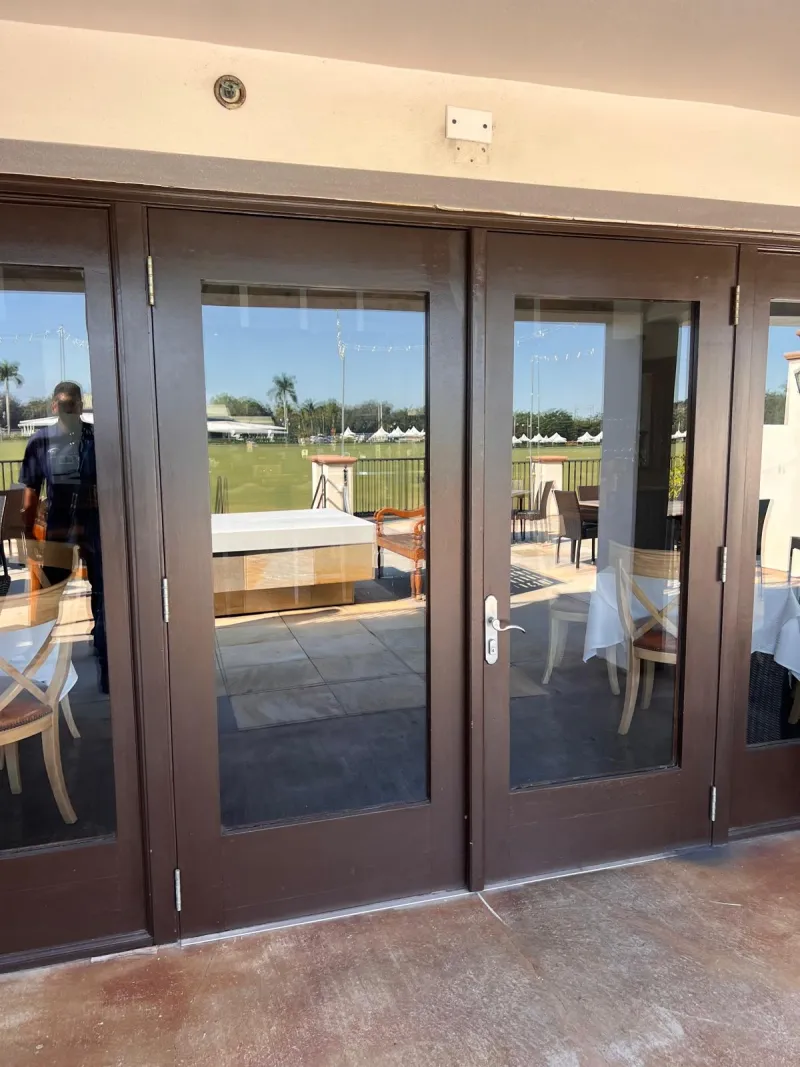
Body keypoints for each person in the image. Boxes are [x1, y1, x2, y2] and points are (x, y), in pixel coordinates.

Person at [19, 381, 108, 693]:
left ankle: (105, 667)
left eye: (71, 405)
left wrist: (31, 533)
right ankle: (46, 666)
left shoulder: (94, 438)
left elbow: (31, 493)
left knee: (99, 595)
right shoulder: (44, 441)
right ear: (55, 406)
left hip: (89, 527)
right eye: (64, 404)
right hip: (66, 529)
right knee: (56, 597)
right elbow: (30, 493)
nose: (68, 409)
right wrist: (31, 534)